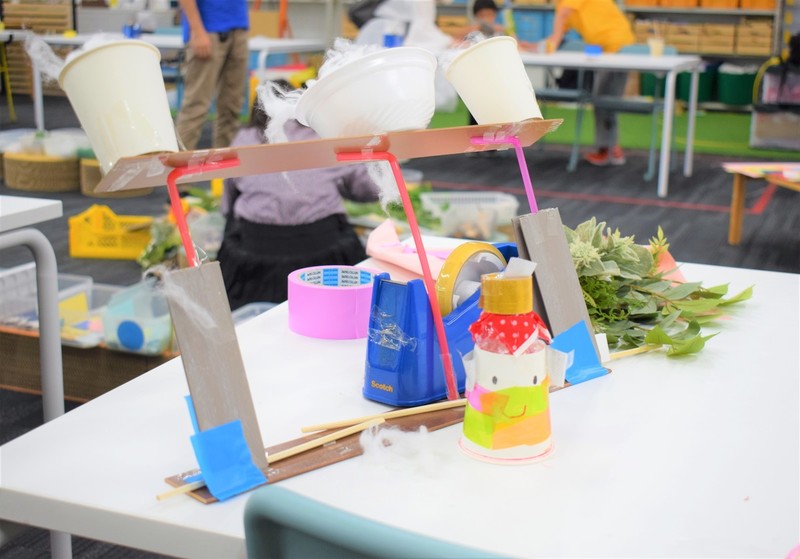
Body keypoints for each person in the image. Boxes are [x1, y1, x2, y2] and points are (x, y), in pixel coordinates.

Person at [216, 84, 381, 310]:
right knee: (333, 311)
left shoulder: (244, 139)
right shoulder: (320, 136)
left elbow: (228, 201)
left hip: (254, 255)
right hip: (323, 252)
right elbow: (368, 189)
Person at [544, 0, 634, 166]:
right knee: (602, 99)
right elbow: (559, 32)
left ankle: (610, 149)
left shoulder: (565, 6)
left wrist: (551, 43)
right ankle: (608, 148)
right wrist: (538, 46)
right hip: (605, 51)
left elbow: (561, 19)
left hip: (617, 47)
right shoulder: (562, 5)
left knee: (605, 99)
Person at [175, 0, 249, 150]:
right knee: (196, 107)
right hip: (207, 30)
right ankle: (177, 161)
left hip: (238, 25)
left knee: (232, 108)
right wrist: (197, 31)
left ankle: (225, 163)